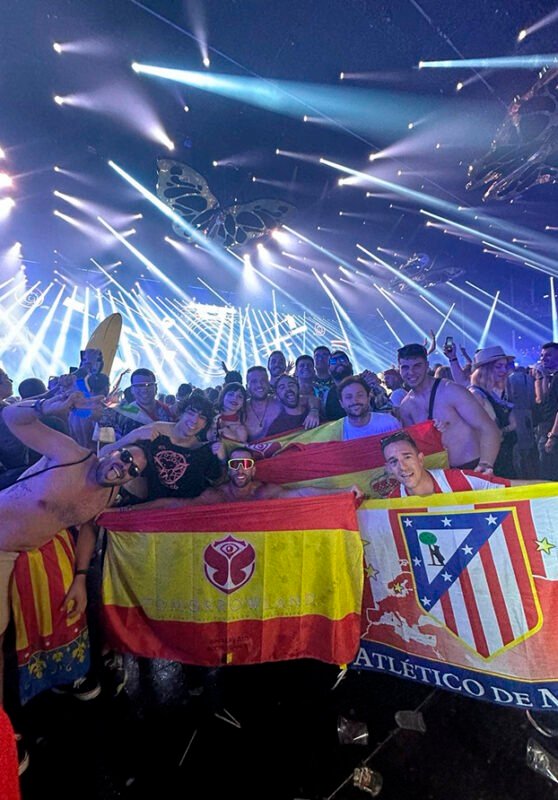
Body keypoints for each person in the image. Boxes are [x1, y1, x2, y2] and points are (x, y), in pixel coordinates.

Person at [0, 391, 148, 711]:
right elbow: (11, 418)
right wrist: (45, 406)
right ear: (113, 450)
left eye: (133, 470)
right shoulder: (71, 454)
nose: (124, 467)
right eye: (125, 457)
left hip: (24, 553)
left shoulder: (107, 495)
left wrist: (80, 577)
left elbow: (88, 530)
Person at [126, 447, 363, 507]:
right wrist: (128, 511)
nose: (240, 469)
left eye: (246, 464)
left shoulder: (264, 491)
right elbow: (174, 505)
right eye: (235, 464)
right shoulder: (217, 495)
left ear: (253, 470)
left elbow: (301, 494)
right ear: (228, 470)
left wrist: (343, 491)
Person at [397, 343, 501, 472]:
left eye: (417, 366)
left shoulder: (450, 391)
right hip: (439, 473)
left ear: (427, 365)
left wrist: (486, 464)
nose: (411, 372)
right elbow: (413, 447)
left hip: (473, 466)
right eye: (405, 367)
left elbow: (488, 427)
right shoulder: (406, 407)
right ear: (399, 369)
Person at [99, 394, 221, 502]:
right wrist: (134, 435)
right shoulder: (155, 431)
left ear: (205, 425)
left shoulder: (203, 450)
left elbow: (218, 486)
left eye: (202, 417)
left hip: (172, 512)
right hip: (135, 503)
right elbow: (103, 454)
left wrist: (222, 458)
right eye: (191, 413)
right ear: (181, 414)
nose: (194, 420)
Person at [380, 430, 539, 498]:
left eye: (407, 457)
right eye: (394, 462)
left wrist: (550, 489)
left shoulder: (458, 480)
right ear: (389, 469)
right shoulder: (393, 501)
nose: (402, 467)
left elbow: (513, 486)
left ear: (420, 459)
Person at [468, 346, 517, 478]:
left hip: (504, 454)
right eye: (498, 366)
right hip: (491, 459)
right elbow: (478, 431)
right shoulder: (476, 394)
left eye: (505, 366)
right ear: (485, 369)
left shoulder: (498, 392)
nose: (504, 370)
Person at [245, 366, 282, 441]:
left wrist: (309, 412)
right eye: (254, 381)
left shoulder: (280, 402)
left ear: (268, 384)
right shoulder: (241, 409)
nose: (259, 385)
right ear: (247, 386)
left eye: (263, 380)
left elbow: (304, 400)